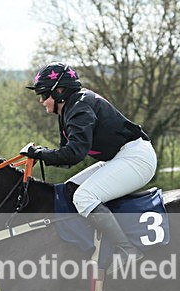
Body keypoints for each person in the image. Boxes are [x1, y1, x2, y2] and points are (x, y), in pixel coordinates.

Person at [23, 62, 157, 265]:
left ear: (59, 91)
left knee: (84, 196)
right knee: (69, 190)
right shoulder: (70, 108)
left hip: (136, 158)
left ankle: (127, 250)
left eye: (43, 95)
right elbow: (66, 157)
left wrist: (40, 153)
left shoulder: (79, 107)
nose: (41, 101)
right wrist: (42, 154)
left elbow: (74, 154)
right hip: (121, 157)